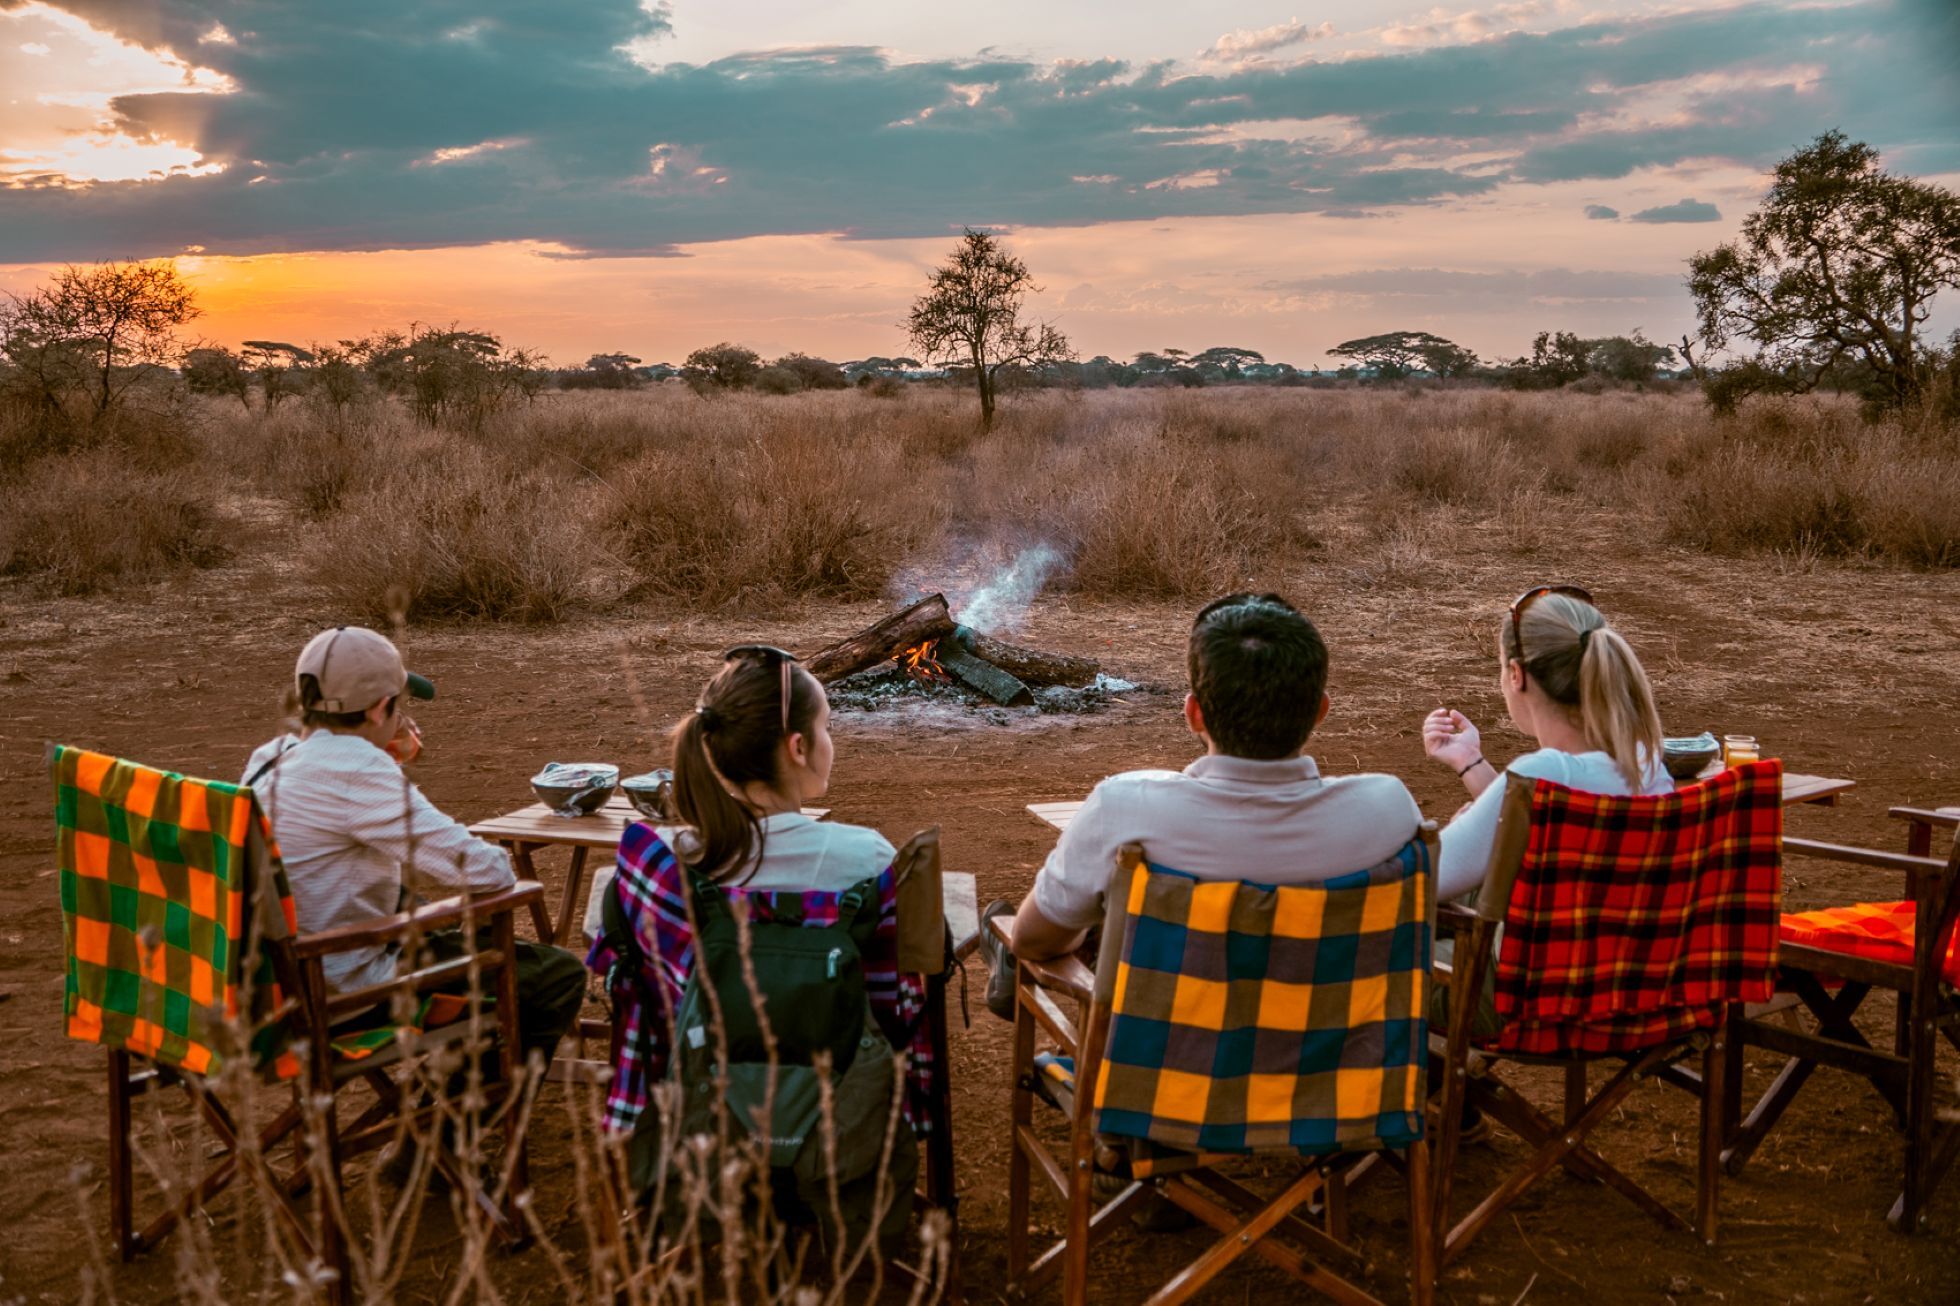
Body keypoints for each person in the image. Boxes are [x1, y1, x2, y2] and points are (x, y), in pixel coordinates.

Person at [587, 647, 924, 1250]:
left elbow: (639, 987)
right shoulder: (867, 861)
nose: (829, 742)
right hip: (840, 1120)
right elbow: (892, 1006)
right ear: (797, 747)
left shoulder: (655, 866)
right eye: (826, 729)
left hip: (698, 1110)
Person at [986, 592, 1423, 989]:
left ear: (1193, 713)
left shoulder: (1122, 808)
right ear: (1320, 712)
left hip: (1164, 1072)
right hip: (1343, 1074)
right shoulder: (1388, 809)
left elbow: (1033, 940)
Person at [244, 626, 585, 1080]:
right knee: (555, 975)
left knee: (413, 903)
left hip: (271, 980)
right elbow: (486, 871)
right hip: (341, 988)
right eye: (398, 704)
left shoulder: (271, 758)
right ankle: (440, 1139)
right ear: (382, 707)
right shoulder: (358, 769)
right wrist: (384, 770)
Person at [1421, 585, 1669, 902]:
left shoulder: (1545, 773)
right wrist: (1469, 760)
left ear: (1515, 674)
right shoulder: (1644, 759)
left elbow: (1425, 880)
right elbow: (1535, 814)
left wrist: (1452, 835)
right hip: (1631, 946)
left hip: (1540, 950)